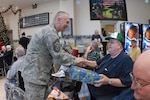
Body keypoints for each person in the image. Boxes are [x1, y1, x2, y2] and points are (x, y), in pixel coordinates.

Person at [21, 11, 81, 100]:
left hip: (40, 77)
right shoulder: (50, 33)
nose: (68, 25)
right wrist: (78, 61)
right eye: (67, 22)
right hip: (35, 78)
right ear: (59, 19)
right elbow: (59, 55)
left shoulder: (50, 31)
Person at [79, 32, 133, 100]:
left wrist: (108, 81)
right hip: (95, 91)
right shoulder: (109, 56)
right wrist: (84, 61)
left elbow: (127, 81)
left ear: (119, 45)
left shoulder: (125, 59)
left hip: (109, 95)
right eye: (108, 42)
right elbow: (96, 63)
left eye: (112, 42)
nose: (109, 44)